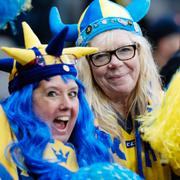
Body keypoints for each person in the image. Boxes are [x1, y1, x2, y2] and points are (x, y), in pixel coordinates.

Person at [49, 0, 179, 179]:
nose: (115, 63)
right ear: (88, 68)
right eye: (101, 56)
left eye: (125, 50)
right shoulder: (73, 123)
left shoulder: (170, 110)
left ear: (141, 54)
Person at [0, 22, 112, 179]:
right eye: (52, 93)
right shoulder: (5, 137)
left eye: (72, 94)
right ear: (24, 104)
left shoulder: (94, 150)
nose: (66, 105)